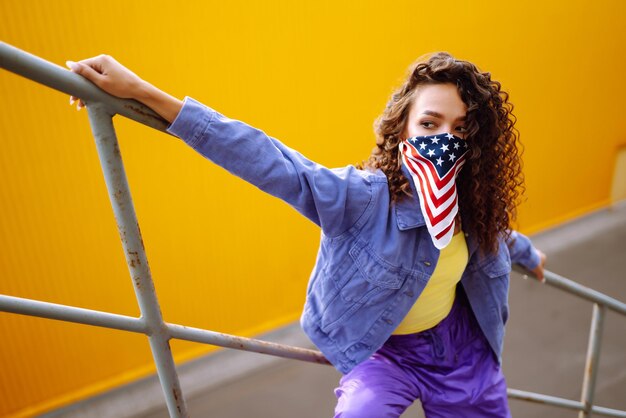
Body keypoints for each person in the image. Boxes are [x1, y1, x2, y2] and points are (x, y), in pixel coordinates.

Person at [66, 52, 546, 417]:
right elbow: (269, 159)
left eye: (461, 130)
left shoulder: (474, 203)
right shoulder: (360, 197)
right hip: (382, 350)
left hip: (462, 350)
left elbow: (497, 238)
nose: (445, 140)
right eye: (429, 123)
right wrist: (144, 93)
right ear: (402, 128)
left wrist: (528, 254)